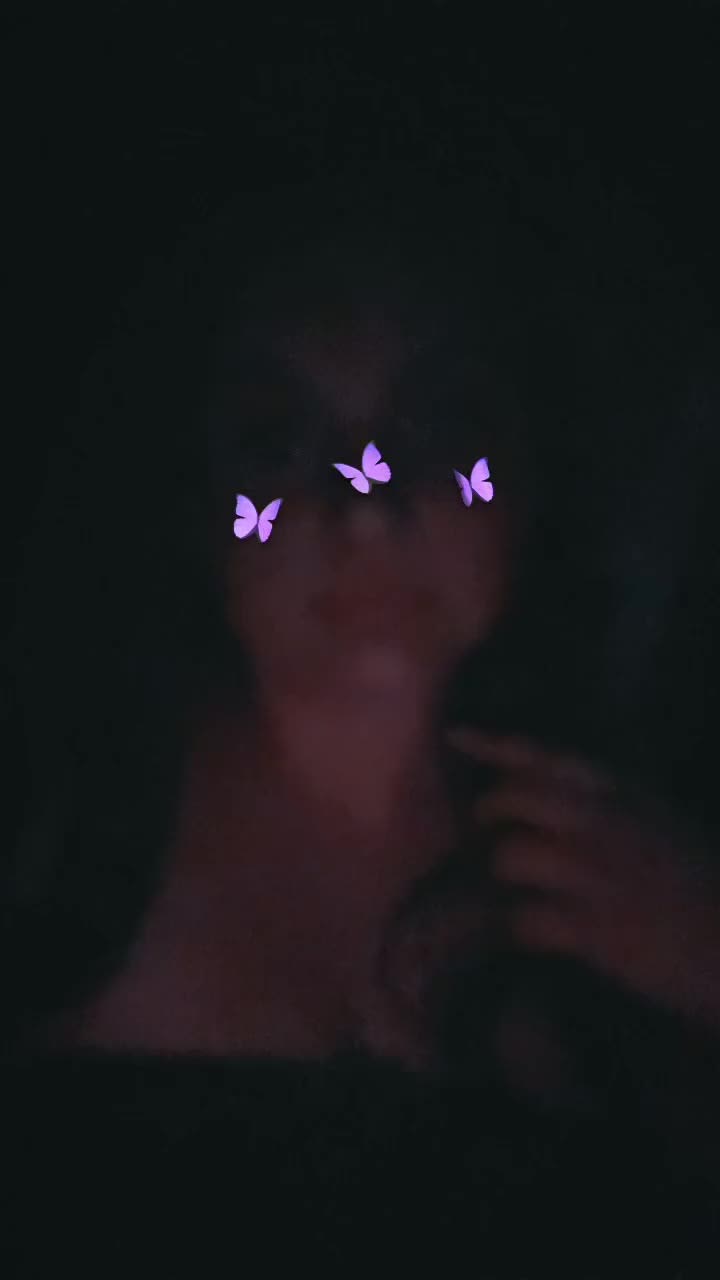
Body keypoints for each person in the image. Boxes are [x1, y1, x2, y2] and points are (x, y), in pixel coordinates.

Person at [8, 179, 720, 1216]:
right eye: (274, 444)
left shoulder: (635, 847)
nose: (367, 506)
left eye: (446, 428)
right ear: (194, 511)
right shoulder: (55, 817)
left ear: (532, 480)